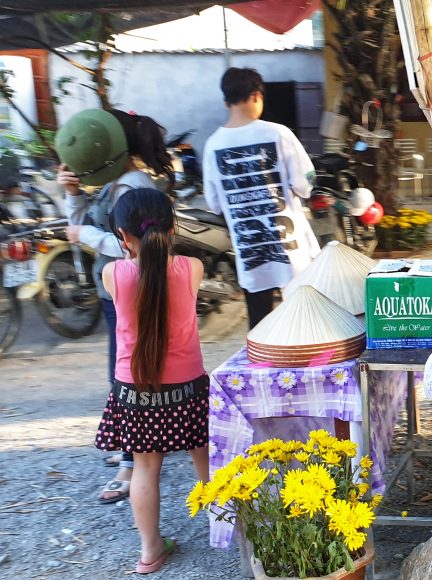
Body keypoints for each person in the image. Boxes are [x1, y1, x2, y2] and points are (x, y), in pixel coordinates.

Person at [55, 108, 176, 503]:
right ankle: (133, 453)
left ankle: (132, 463)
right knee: (124, 376)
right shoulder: (116, 184)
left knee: (127, 378)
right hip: (116, 294)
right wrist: (73, 197)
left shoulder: (131, 186)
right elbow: (91, 226)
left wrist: (86, 233)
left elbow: (130, 245)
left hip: (129, 293)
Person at [94, 188, 208, 574]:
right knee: (204, 454)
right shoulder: (192, 268)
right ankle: (226, 525)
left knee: (145, 468)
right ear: (173, 228)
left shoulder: (113, 273)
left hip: (136, 392)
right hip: (188, 387)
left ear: (124, 237)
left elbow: (133, 277)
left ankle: (150, 550)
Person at [202, 67, 320, 329]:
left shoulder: (212, 146)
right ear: (256, 96)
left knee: (260, 328)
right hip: (290, 251)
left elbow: (214, 203)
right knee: (303, 323)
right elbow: (305, 183)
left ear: (226, 101)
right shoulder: (278, 134)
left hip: (249, 253)